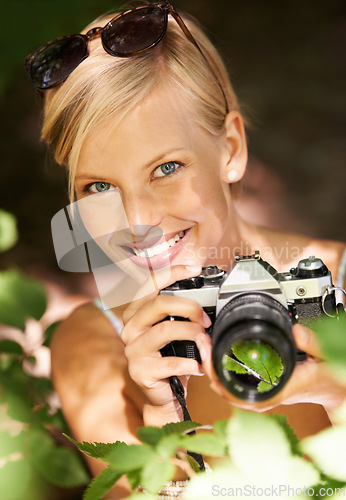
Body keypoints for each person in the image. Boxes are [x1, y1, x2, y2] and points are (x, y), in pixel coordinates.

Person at [25, 3, 346, 498]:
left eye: (167, 168)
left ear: (231, 150)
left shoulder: (340, 282)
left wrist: (338, 398)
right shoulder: (97, 344)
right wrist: (160, 419)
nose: (136, 222)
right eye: (98, 187)